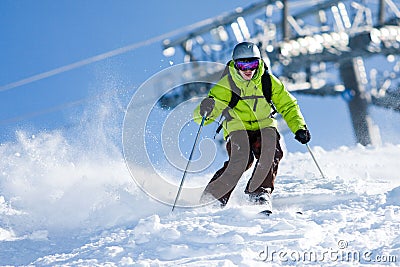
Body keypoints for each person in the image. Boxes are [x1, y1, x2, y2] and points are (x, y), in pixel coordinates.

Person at [193, 41, 311, 210]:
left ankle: (259, 193)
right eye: (242, 65)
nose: (248, 70)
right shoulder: (227, 85)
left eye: (253, 64)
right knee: (241, 159)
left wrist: (299, 127)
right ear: (235, 64)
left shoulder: (268, 81)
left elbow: (288, 105)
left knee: (270, 151)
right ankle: (213, 197)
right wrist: (206, 109)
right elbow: (204, 116)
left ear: (259, 63)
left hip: (264, 125)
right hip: (237, 127)